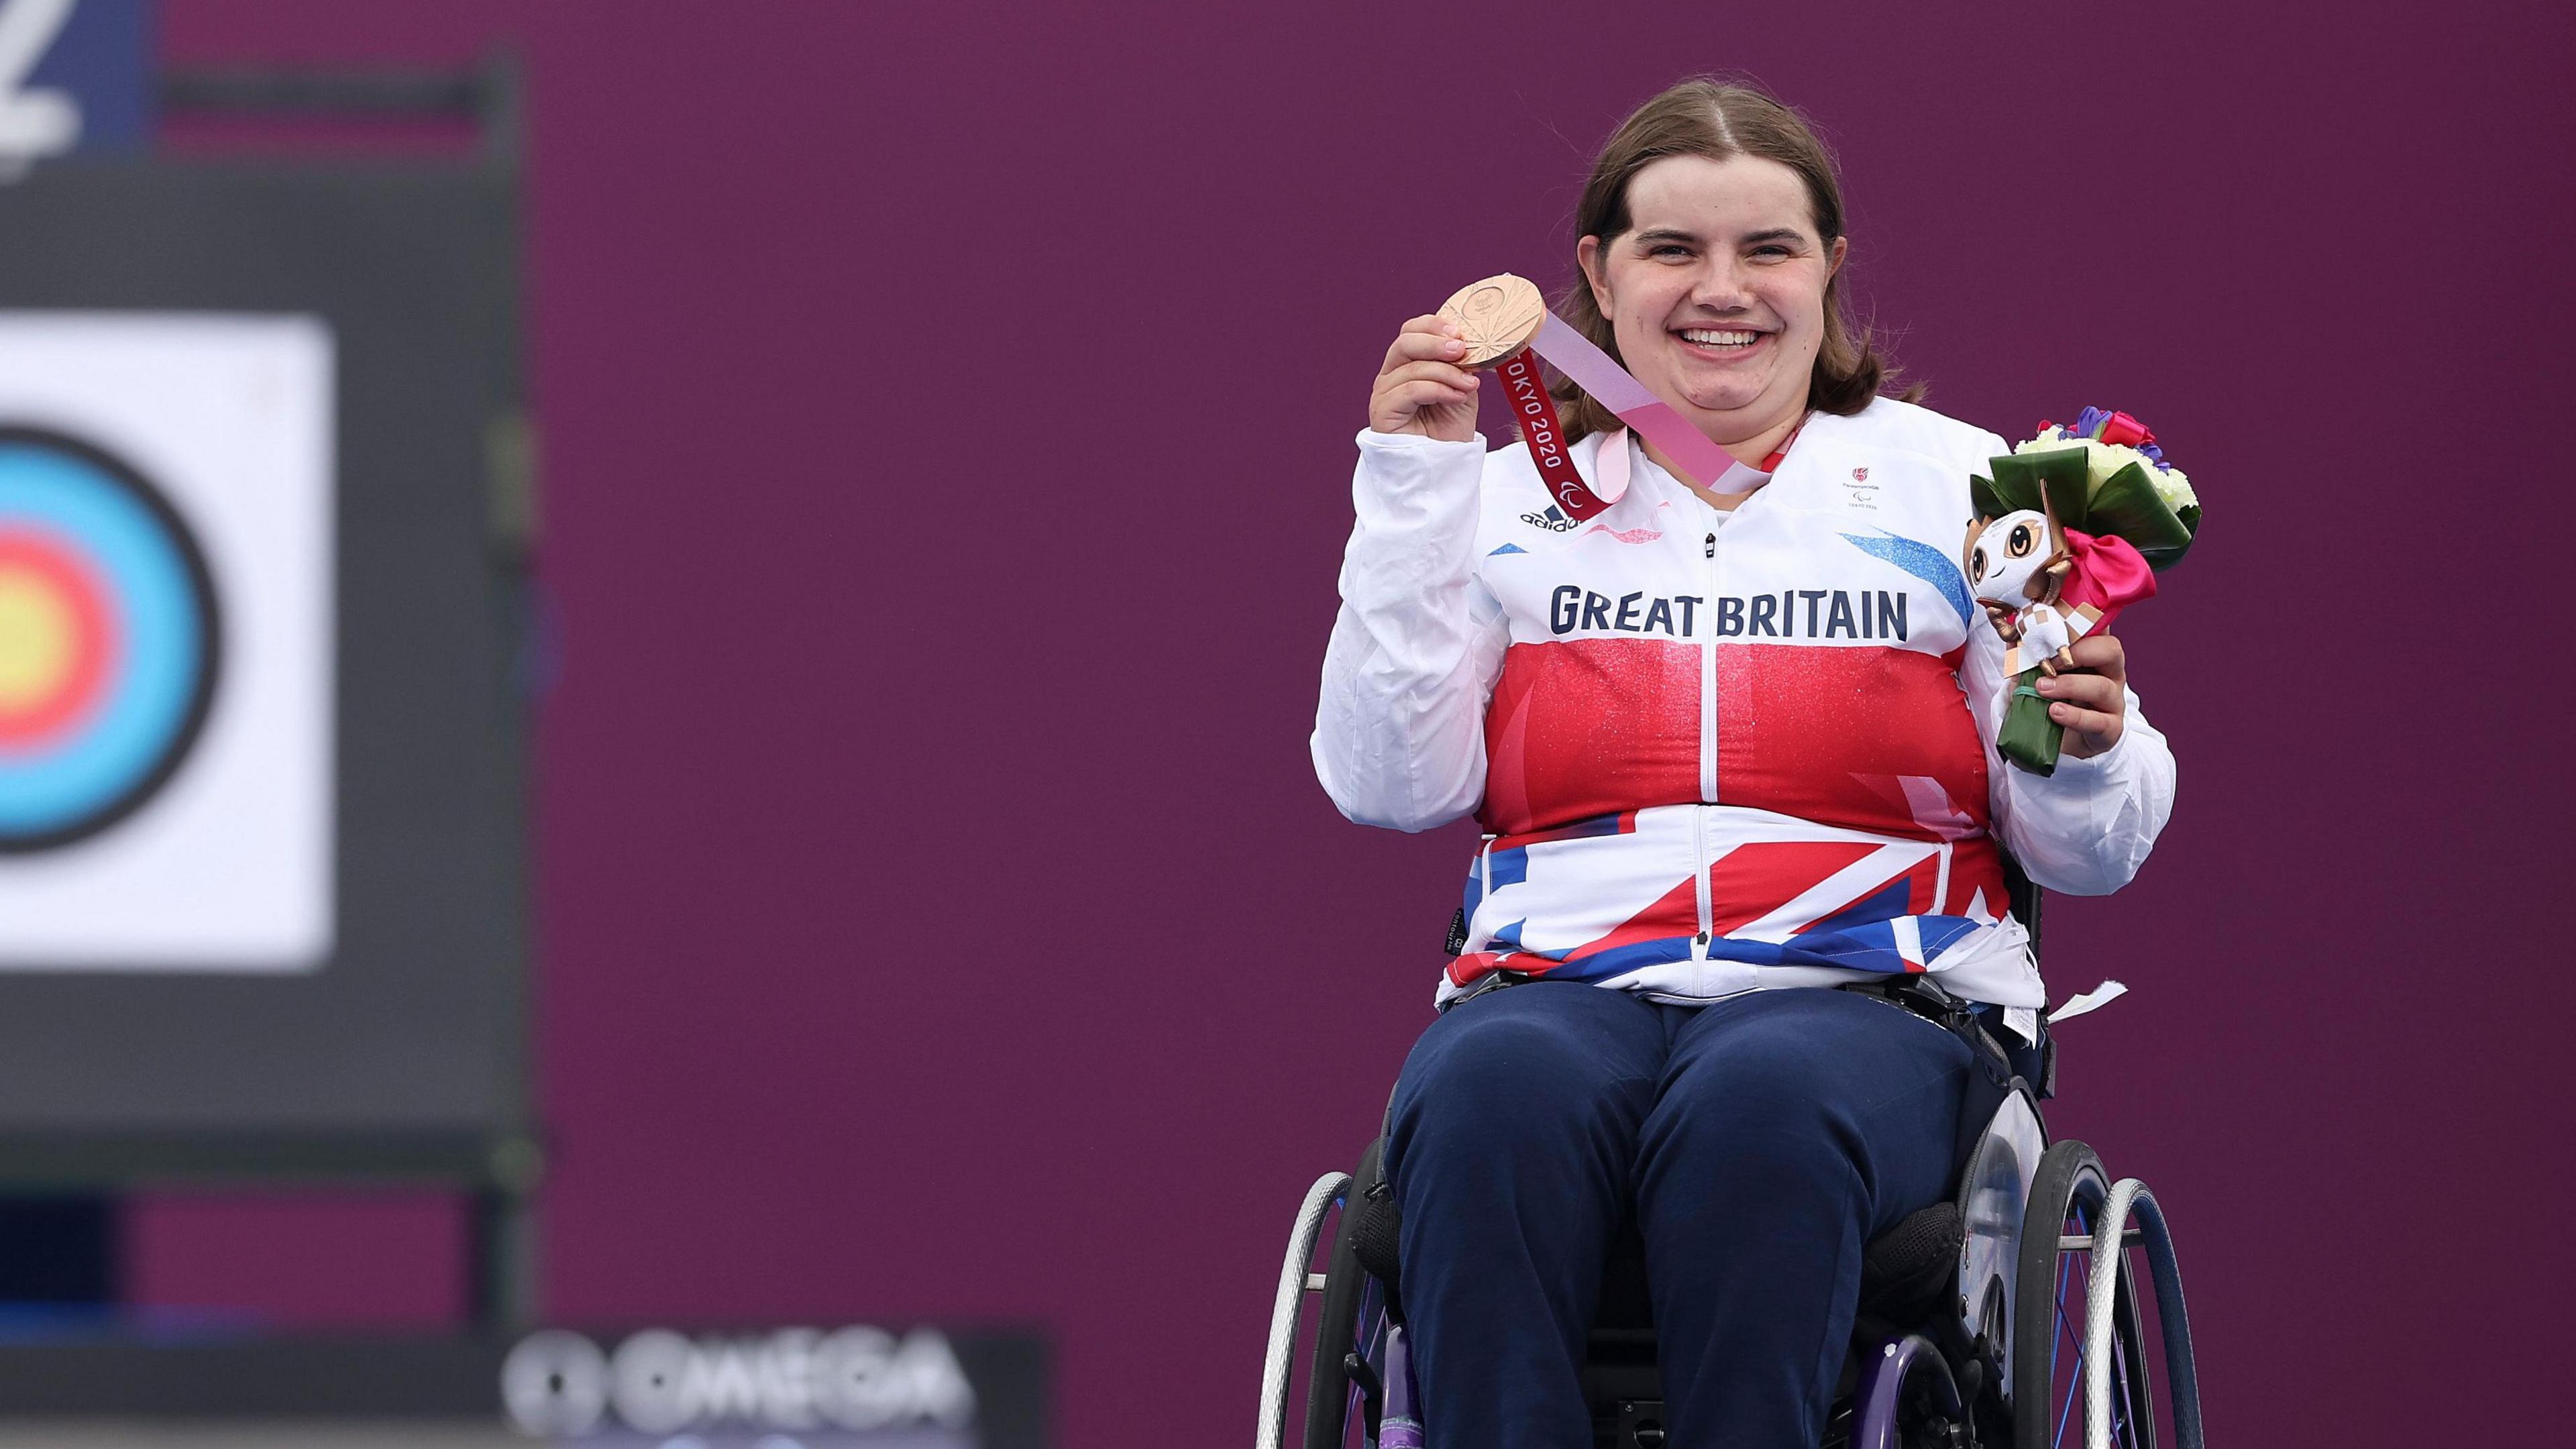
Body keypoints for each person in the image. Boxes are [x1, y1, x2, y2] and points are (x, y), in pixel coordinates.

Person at [1309, 79, 2175, 1448]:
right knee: (1487, 1094)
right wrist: (1410, 495)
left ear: (1828, 271)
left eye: (1767, 249)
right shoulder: (1495, 503)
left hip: (1877, 1001)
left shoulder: (1972, 492)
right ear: (1596, 276)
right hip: (1556, 988)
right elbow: (1387, 786)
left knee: (1759, 1101)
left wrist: (2087, 751)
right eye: (1673, 250)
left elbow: (2090, 851)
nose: (1725, 290)